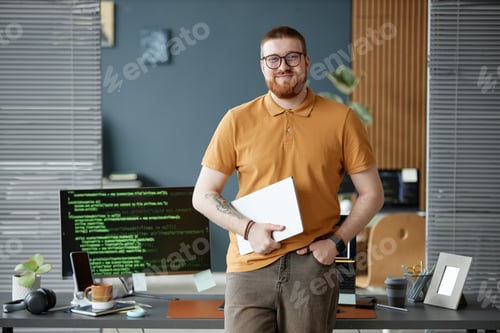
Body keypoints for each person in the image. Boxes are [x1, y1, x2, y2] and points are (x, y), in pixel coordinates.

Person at [192, 25, 384, 333]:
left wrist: (336, 242)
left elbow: (372, 193)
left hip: (312, 267)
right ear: (262, 66)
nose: (283, 66)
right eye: (273, 59)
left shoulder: (342, 119)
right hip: (249, 264)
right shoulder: (236, 120)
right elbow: (203, 195)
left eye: (292, 57)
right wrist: (249, 229)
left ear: (307, 62)